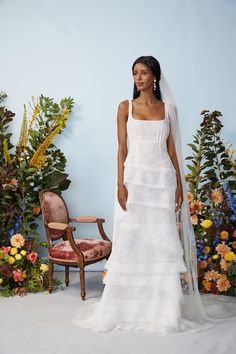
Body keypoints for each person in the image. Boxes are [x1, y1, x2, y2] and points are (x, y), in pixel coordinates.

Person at [73, 56, 233, 335]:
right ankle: (126, 307)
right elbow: (122, 149)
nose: (138, 78)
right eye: (135, 73)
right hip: (134, 180)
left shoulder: (168, 109)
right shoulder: (125, 107)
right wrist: (120, 183)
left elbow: (172, 150)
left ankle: (163, 311)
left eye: (143, 73)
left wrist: (180, 186)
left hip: (162, 181)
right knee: (132, 239)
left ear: (154, 77)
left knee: (160, 241)